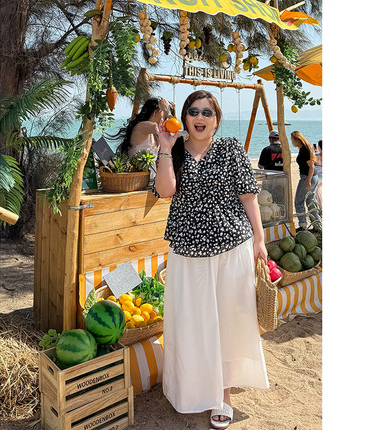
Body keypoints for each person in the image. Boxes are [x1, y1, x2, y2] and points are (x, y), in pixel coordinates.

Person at [152, 90, 269, 429]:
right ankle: (192, 387)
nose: (200, 117)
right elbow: (165, 191)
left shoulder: (230, 148)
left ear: (216, 119)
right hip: (187, 249)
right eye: (193, 111)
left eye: (207, 112)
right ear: (184, 118)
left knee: (228, 321)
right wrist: (165, 148)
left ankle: (223, 395)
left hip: (231, 246)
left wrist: (259, 239)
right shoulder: (174, 150)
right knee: (191, 321)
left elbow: (248, 196)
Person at [108, 97, 175, 161]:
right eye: (163, 111)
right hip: (138, 169)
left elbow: (176, 129)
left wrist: (171, 113)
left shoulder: (153, 133)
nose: (164, 116)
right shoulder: (142, 126)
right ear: (155, 112)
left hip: (148, 169)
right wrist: (166, 111)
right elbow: (174, 126)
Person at [290, 131, 321, 231]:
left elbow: (311, 166)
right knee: (310, 202)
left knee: (298, 202)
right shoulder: (304, 148)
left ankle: (303, 226)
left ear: (297, 139)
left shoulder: (304, 150)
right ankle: (317, 225)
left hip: (307, 177)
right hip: (312, 177)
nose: (291, 142)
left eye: (292, 139)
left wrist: (308, 181)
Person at [314, 140, 322, 209]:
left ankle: (321, 207)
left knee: (317, 193)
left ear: (319, 147)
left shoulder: (316, 155)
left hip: (318, 177)